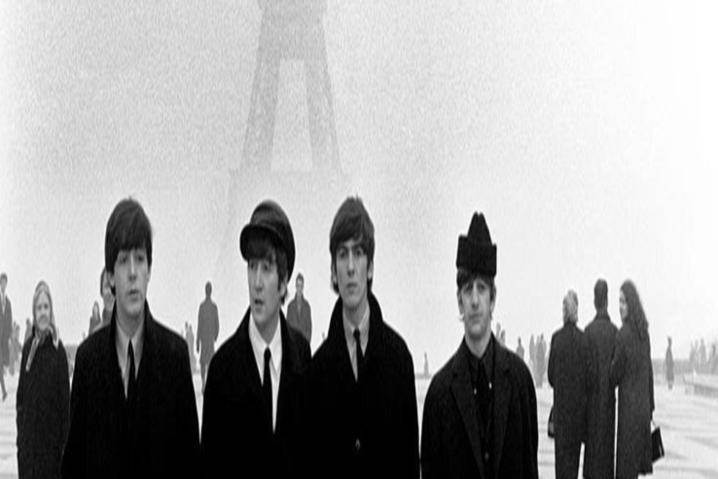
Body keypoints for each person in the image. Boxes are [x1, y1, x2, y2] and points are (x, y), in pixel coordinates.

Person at [62, 198, 200, 478]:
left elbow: (191, 465)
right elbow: (73, 466)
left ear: (150, 269)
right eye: (123, 261)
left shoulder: (175, 358)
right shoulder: (88, 361)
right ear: (111, 276)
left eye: (140, 258)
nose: (133, 273)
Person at [308, 196, 419, 479]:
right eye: (342, 254)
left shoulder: (399, 358)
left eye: (358, 253)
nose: (350, 267)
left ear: (370, 266)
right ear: (333, 270)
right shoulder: (317, 371)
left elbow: (408, 464)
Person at [421, 212, 538, 479]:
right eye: (468, 290)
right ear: (459, 301)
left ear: (493, 299)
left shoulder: (520, 383)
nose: (474, 300)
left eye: (482, 289)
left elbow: (530, 471)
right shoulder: (439, 395)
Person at [201, 199, 311, 477]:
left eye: (266, 268)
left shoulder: (304, 361)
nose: (257, 282)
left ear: (283, 283)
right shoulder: (222, 370)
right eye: (252, 266)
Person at [17, 281, 70, 479]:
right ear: (34, 312)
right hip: (29, 456)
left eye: (46, 307)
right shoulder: (28, 350)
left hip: (51, 457)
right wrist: (21, 442)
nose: (42, 313)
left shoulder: (58, 352)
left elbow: (66, 408)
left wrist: (63, 450)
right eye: (39, 308)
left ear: (51, 310)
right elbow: (21, 399)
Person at [609, 280, 655, 479]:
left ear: (631, 303)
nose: (620, 306)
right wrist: (650, 407)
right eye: (619, 302)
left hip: (628, 414)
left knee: (625, 471)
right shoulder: (644, 334)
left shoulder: (623, 335)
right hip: (643, 412)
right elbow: (649, 374)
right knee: (634, 471)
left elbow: (614, 376)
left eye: (623, 302)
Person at [548, 290, 591, 479]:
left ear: (564, 311)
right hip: (577, 416)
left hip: (561, 414)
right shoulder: (584, 340)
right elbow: (589, 377)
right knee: (573, 465)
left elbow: (551, 377)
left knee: (561, 465)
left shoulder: (556, 338)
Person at [584, 279, 618, 479]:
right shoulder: (614, 332)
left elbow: (587, 372)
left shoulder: (588, 332)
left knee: (592, 452)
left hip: (592, 402)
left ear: (594, 300)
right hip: (608, 403)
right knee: (606, 453)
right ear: (607, 300)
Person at [196, 280, 219, 393]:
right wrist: (215, 336)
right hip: (209, 338)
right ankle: (208, 383)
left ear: (205, 291)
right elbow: (217, 323)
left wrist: (197, 341)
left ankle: (204, 383)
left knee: (203, 362)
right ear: (211, 291)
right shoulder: (214, 307)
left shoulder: (202, 307)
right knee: (210, 361)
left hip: (204, 338)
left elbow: (199, 324)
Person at [286, 272, 312, 345]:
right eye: (298, 285)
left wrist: (305, 344)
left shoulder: (307, 307)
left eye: (301, 286)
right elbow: (287, 329)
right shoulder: (290, 307)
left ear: (303, 287)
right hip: (292, 345)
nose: (299, 288)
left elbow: (309, 329)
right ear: (295, 286)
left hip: (303, 345)